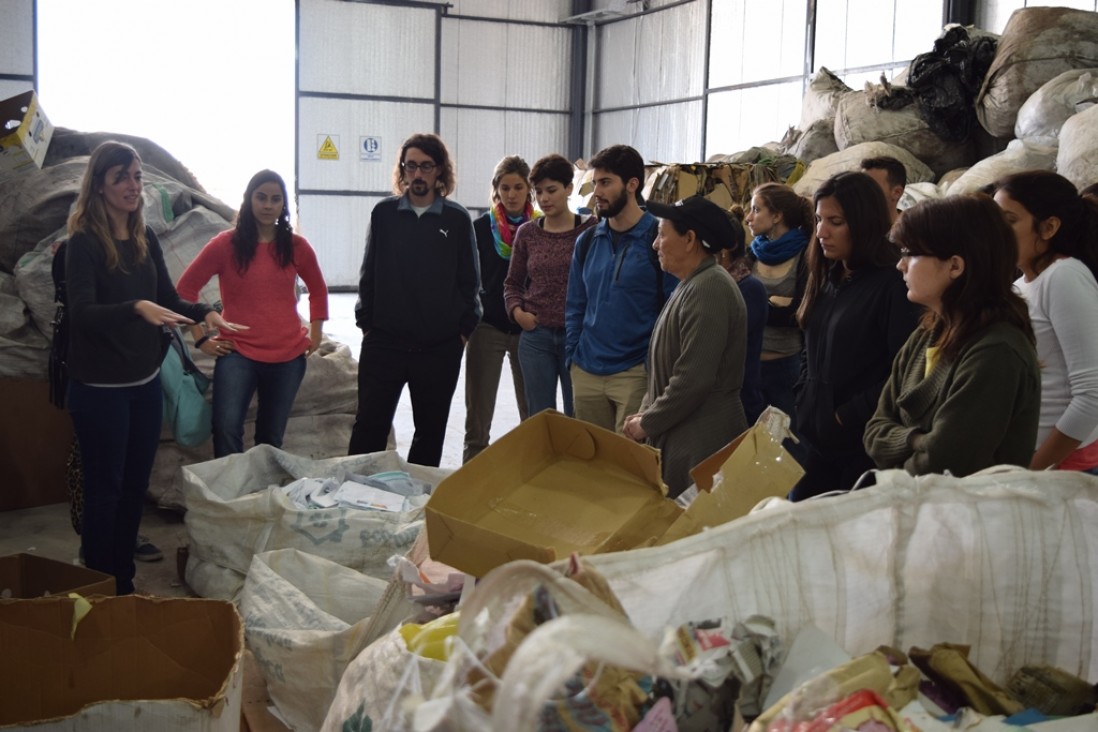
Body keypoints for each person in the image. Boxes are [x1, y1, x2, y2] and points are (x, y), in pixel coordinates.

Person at [64, 141, 241, 594]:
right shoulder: (81, 244)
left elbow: (168, 297)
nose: (132, 185)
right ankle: (101, 583)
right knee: (106, 490)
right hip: (99, 388)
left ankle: (122, 577)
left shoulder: (145, 240)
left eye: (137, 176)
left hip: (142, 384)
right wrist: (134, 307)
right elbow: (82, 312)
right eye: (121, 176)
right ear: (100, 185)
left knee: (133, 489)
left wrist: (204, 312)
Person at [864, 195, 1040, 476]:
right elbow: (873, 433)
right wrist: (918, 440)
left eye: (910, 252)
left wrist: (901, 451)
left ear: (955, 266)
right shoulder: (927, 335)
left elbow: (944, 464)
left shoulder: (996, 352)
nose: (901, 265)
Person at [348, 133, 480, 467]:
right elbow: (369, 276)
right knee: (368, 429)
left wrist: (460, 335)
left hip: (438, 350)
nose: (417, 174)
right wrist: (368, 326)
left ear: (440, 171)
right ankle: (355, 500)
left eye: (426, 166)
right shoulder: (384, 215)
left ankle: (415, 508)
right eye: (411, 166)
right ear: (402, 170)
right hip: (385, 345)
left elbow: (470, 283)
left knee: (429, 433)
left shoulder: (457, 219)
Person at [177, 169, 328, 458]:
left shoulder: (297, 247)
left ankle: (261, 497)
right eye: (261, 197)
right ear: (248, 200)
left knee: (271, 437)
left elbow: (318, 290)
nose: (268, 205)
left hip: (287, 357)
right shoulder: (224, 244)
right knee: (225, 428)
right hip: (238, 352)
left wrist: (316, 334)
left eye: (275, 199)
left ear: (283, 205)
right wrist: (200, 339)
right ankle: (233, 498)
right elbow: (185, 291)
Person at [791, 172, 920, 500]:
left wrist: (845, 415)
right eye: (819, 219)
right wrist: (807, 395)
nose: (821, 231)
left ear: (864, 223)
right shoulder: (827, 275)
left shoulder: (892, 284)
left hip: (862, 447)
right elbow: (809, 342)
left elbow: (903, 371)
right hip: (815, 441)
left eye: (835, 221)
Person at [623, 196, 748, 497]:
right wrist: (644, 414)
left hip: (701, 445)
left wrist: (648, 423)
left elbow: (693, 379)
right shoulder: (692, 284)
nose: (655, 244)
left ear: (690, 239)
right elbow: (665, 370)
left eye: (662, 234)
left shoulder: (710, 288)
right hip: (682, 437)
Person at [565, 144, 676, 433]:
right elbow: (576, 304)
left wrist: (652, 367)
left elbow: (673, 307)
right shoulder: (587, 241)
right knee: (590, 463)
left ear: (632, 184)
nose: (596, 192)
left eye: (605, 182)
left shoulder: (658, 238)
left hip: (635, 373)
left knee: (626, 465)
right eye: (594, 183)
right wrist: (572, 357)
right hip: (586, 369)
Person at [994, 170, 1098, 472]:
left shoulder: (1064, 276)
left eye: (1009, 221)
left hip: (1065, 465)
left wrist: (1034, 469)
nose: (997, 232)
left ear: (1049, 227)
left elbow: (1092, 395)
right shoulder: (1021, 286)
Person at [504, 153, 596, 417]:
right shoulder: (527, 233)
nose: (544, 198)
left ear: (569, 188)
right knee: (539, 417)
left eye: (552, 190)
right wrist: (518, 313)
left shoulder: (590, 230)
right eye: (539, 192)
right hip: (536, 337)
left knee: (577, 416)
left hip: (577, 338)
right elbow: (512, 283)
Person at [463, 156, 533, 463]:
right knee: (477, 416)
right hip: (487, 327)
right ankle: (471, 475)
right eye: (505, 187)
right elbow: (466, 278)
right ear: (496, 189)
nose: (512, 194)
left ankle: (534, 472)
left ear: (528, 188)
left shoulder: (541, 228)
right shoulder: (479, 229)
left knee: (532, 413)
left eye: (518, 187)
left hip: (529, 330)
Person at [744, 183, 812, 421]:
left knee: (790, 443)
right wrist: (774, 303)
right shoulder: (752, 253)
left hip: (786, 365)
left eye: (756, 209)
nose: (748, 218)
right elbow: (736, 304)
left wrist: (758, 308)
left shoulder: (805, 256)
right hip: (749, 364)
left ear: (777, 216)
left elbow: (800, 313)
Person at [717, 206, 767, 424]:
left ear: (727, 248)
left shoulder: (749, 288)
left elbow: (718, 345)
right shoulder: (703, 284)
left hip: (738, 404)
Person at [860, 156, 907, 224]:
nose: (862, 192)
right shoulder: (852, 227)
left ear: (897, 193)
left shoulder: (912, 231)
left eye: (870, 187)